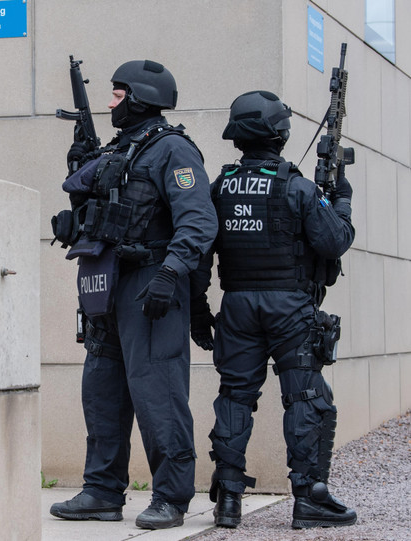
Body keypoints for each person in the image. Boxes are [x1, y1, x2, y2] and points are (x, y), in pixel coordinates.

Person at [49, 59, 217, 530]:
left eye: (118, 96)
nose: (109, 104)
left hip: (151, 284)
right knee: (100, 390)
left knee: (158, 392)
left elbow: (199, 221)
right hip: (106, 283)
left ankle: (171, 496)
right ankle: (102, 492)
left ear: (142, 98)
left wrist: (172, 272)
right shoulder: (115, 151)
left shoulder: (173, 151)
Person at [189, 90, 357, 529]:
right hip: (289, 306)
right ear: (280, 134)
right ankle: (310, 497)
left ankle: (228, 499)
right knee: (305, 396)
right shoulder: (297, 186)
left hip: (237, 306)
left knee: (234, 395)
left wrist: (198, 312)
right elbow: (334, 241)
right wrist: (341, 198)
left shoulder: (219, 187)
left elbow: (200, 254)